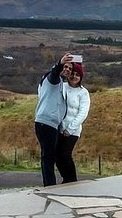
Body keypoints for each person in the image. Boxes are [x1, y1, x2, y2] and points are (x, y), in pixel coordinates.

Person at [34, 53, 72, 186]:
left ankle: (50, 183)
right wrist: (60, 63)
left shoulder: (60, 83)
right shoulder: (53, 79)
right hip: (46, 123)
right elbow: (55, 73)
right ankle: (49, 185)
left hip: (52, 124)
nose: (67, 70)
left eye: (70, 69)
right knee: (48, 156)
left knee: (50, 155)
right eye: (65, 67)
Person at [56, 61, 90, 183]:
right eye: (73, 73)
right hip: (58, 127)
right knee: (56, 156)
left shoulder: (83, 92)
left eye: (77, 75)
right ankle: (66, 179)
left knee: (65, 154)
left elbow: (83, 113)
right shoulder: (62, 86)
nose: (74, 76)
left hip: (73, 130)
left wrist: (70, 129)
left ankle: (72, 180)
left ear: (80, 77)